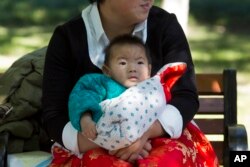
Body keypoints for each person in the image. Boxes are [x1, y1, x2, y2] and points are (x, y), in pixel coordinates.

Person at [42, 0, 219, 166]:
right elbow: (54, 116)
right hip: (90, 142)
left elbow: (185, 96)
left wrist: (143, 133)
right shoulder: (67, 38)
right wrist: (111, 140)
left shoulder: (165, 26)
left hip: (161, 131)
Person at [68, 34, 186, 151]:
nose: (132, 68)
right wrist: (85, 119)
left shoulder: (153, 89)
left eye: (139, 63)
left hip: (149, 141)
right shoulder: (103, 83)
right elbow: (83, 96)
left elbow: (162, 111)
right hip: (105, 143)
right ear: (107, 70)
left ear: (149, 70)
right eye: (123, 63)